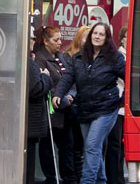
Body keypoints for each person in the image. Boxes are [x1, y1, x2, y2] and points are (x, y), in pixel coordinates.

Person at [52, 22, 125, 184]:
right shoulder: (79, 57)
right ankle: (100, 181)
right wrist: (59, 93)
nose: (97, 37)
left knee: (91, 146)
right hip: (85, 108)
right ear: (91, 35)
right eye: (95, 33)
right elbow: (68, 77)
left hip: (106, 108)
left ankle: (87, 181)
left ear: (107, 38)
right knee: (92, 148)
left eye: (101, 34)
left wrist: (124, 100)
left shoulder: (114, 57)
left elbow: (131, 79)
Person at [33, 26, 77, 184]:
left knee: (67, 149)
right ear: (46, 41)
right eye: (56, 40)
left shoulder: (60, 56)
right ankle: (51, 179)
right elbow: (42, 83)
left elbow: (70, 77)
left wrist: (71, 94)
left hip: (66, 112)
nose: (60, 42)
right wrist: (58, 96)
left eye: (60, 39)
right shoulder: (40, 58)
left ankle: (69, 179)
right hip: (50, 112)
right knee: (48, 149)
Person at [62, 25, 91, 183]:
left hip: (85, 108)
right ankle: (72, 178)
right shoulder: (68, 56)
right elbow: (68, 81)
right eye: (86, 37)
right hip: (70, 108)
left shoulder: (93, 58)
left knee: (81, 147)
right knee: (70, 147)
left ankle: (80, 178)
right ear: (79, 38)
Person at [26, 31, 53, 184]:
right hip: (30, 124)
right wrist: (45, 76)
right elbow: (36, 89)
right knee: (27, 167)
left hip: (27, 124)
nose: (34, 41)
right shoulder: (28, 62)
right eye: (32, 38)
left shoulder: (29, 60)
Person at [105, 26, 127, 184]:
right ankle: (114, 179)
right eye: (126, 36)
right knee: (115, 145)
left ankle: (118, 178)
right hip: (117, 107)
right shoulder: (119, 56)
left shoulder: (129, 55)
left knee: (122, 147)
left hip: (126, 108)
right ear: (122, 39)